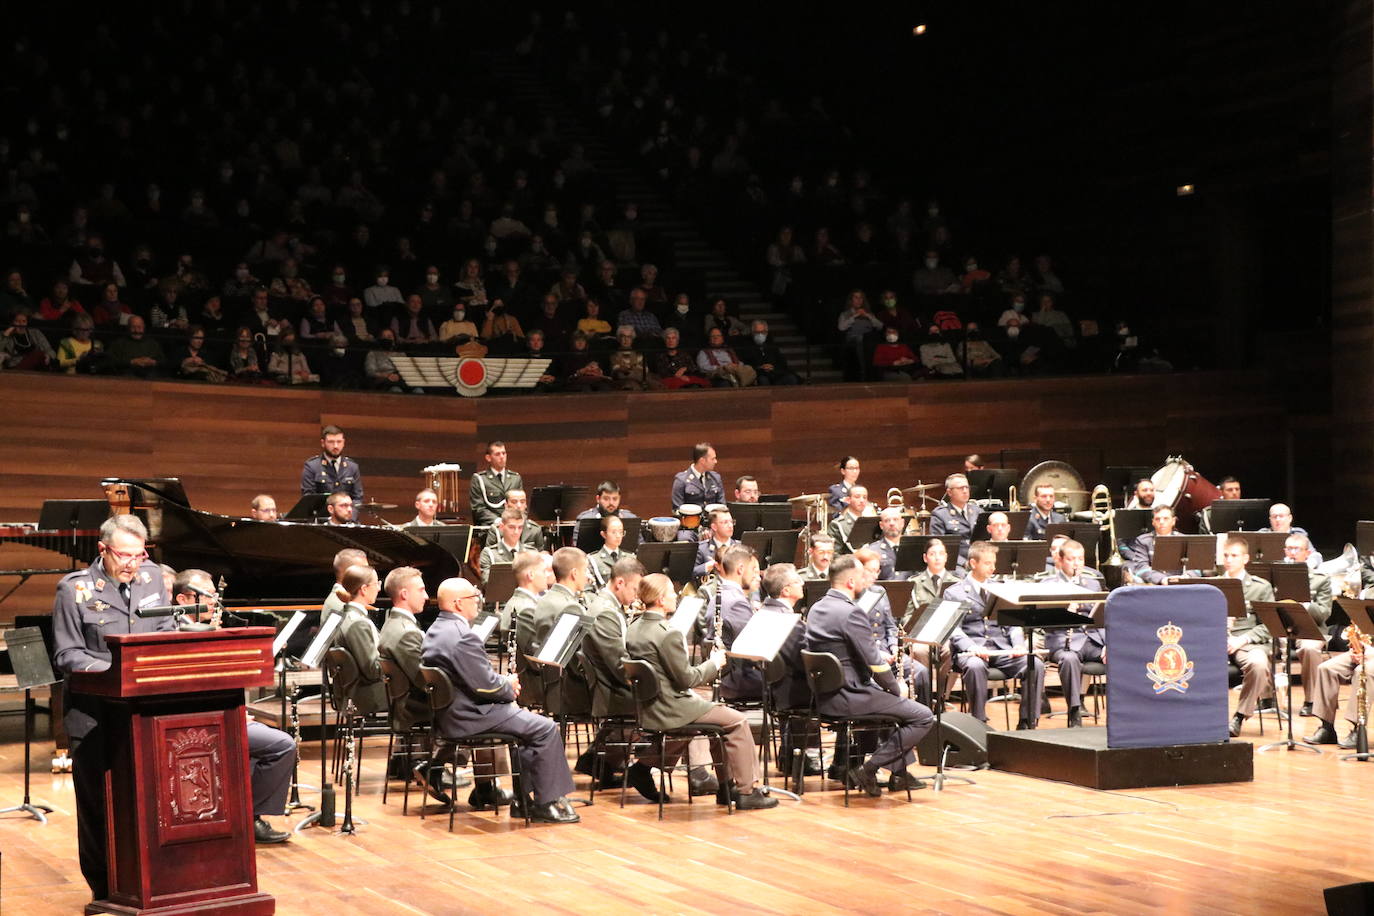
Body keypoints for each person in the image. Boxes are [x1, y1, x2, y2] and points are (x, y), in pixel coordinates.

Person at [53, 515, 174, 899]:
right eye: (125, 556)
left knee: (150, 802)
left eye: (140, 555)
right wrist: (118, 671)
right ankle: (104, 888)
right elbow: (67, 654)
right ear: (103, 550)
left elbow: (165, 631)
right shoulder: (73, 590)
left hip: (144, 714)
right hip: (94, 715)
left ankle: (152, 882)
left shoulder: (152, 576)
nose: (133, 564)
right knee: (98, 807)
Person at [422, 577, 580, 823]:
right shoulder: (464, 635)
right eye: (473, 598)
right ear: (457, 603)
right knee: (546, 728)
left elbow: (472, 676)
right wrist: (508, 686)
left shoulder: (436, 629)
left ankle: (524, 800)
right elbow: (485, 686)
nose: (478, 601)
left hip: (453, 712)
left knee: (530, 729)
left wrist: (499, 683)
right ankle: (543, 803)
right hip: (473, 715)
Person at [625, 574, 778, 810]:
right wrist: (715, 663)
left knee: (718, 724)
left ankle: (725, 788)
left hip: (650, 705)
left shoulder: (634, 628)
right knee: (736, 722)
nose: (675, 596)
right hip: (673, 707)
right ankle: (747, 791)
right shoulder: (668, 633)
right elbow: (687, 679)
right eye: (670, 593)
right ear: (659, 599)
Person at [171, 570, 295, 842]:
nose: (214, 602)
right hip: (198, 722)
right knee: (282, 745)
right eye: (205, 597)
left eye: (214, 595)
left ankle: (243, 816)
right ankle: (249, 816)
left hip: (222, 713)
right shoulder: (176, 633)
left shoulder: (208, 628)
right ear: (182, 599)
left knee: (262, 747)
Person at [803, 556, 934, 794]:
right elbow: (876, 664)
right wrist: (896, 689)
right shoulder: (851, 613)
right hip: (851, 696)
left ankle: (900, 775)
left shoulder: (816, 608)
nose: (867, 579)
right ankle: (869, 769)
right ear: (851, 582)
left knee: (888, 708)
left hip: (825, 697)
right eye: (863, 575)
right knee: (922, 716)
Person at [945, 541, 1046, 730]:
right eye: (987, 563)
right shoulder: (954, 592)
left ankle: (1028, 723)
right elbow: (954, 629)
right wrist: (971, 647)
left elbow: (1012, 623)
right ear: (973, 563)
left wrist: (1018, 644)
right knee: (975, 666)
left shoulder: (1001, 588)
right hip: (972, 651)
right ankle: (979, 723)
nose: (993, 568)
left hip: (1001, 649)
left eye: (993, 563)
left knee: (1035, 664)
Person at [1037, 540, 1106, 728]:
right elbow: (1043, 622)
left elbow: (1100, 618)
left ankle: (1122, 710)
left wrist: (1108, 644)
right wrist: (1066, 611)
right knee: (1069, 660)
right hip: (1062, 640)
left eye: (1080, 559)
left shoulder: (1092, 583)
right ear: (1060, 560)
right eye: (1071, 559)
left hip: (1091, 640)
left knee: (1118, 655)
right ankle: (1074, 712)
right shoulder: (1048, 584)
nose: (1076, 564)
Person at [1217, 536, 1276, 738]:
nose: (1229, 560)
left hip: (1246, 643)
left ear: (1245, 558)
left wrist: (1242, 639)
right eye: (1226, 555)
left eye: (1234, 556)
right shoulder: (1212, 585)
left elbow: (1269, 625)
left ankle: (1239, 717)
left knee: (1259, 664)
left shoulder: (1261, 587)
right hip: (1215, 642)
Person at [1280, 534, 1333, 715]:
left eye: (1297, 549)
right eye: (1289, 549)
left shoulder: (1321, 579)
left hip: (1310, 629)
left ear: (1307, 553)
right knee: (1262, 646)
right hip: (1280, 626)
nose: (1292, 553)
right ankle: (1265, 699)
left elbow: (1325, 613)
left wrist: (1305, 604)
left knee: (1309, 649)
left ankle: (1311, 700)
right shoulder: (1276, 576)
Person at [334, 565, 388, 716]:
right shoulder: (357, 622)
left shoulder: (348, 616)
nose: (378, 588)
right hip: (366, 697)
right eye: (377, 583)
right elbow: (372, 670)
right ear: (364, 589)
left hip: (359, 693)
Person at [716, 545, 763, 703]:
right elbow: (754, 644)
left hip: (726, 677)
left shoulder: (719, 593)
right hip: (740, 680)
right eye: (753, 570)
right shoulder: (737, 602)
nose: (755, 576)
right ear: (741, 569)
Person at [300, 425, 364, 503]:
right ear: (323, 443)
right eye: (331, 442)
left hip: (347, 514)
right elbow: (308, 498)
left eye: (339, 442)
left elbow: (358, 499)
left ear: (343, 443)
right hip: (322, 514)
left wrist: (349, 514)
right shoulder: (312, 466)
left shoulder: (352, 467)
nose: (335, 446)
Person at [1120, 505, 1182, 584]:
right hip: (1154, 584)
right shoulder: (1143, 541)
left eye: (1166, 519)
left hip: (1181, 583)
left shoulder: (1184, 539)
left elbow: (1195, 567)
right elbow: (1141, 567)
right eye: (1157, 519)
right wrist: (1162, 579)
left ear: (1173, 521)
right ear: (1153, 522)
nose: (1161, 522)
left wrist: (1187, 577)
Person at [469, 440, 523, 527]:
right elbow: (478, 509)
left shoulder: (515, 478)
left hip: (514, 527)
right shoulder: (480, 479)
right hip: (490, 527)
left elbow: (522, 505)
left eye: (504, 453)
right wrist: (498, 521)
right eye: (497, 454)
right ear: (488, 458)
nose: (502, 457)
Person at [930, 473, 982, 562]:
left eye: (967, 487)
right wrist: (962, 562)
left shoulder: (978, 511)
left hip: (979, 560)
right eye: (960, 488)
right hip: (955, 563)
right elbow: (938, 546)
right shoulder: (940, 515)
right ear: (949, 492)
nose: (965, 491)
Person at [480, 508, 536, 584]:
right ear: (501, 527)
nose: (516, 532)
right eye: (512, 527)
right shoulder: (490, 554)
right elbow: (487, 582)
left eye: (520, 527)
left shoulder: (531, 552)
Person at [1260, 504, 1323, 568]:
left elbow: (1315, 555)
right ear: (1270, 519)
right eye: (1274, 516)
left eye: (1281, 516)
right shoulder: (1261, 534)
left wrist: (1306, 566)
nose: (1278, 519)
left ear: (1290, 518)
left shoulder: (1298, 534)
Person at [671, 442, 724, 510]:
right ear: (702, 461)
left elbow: (722, 506)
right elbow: (677, 509)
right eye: (713, 459)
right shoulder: (681, 480)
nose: (715, 461)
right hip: (691, 519)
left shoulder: (716, 478)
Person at [866, 507, 911, 580]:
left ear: (902, 523)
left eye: (895, 520)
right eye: (887, 520)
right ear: (881, 525)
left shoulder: (913, 548)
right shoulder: (872, 550)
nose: (892, 523)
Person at [693, 508, 739, 579]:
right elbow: (691, 572)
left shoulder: (739, 547)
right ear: (714, 527)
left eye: (731, 521)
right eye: (725, 522)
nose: (730, 525)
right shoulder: (701, 549)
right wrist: (707, 566)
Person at [828, 486, 870, 555]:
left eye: (864, 497)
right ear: (848, 500)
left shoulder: (870, 523)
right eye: (857, 497)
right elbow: (834, 555)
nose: (862, 500)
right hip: (849, 564)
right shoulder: (837, 525)